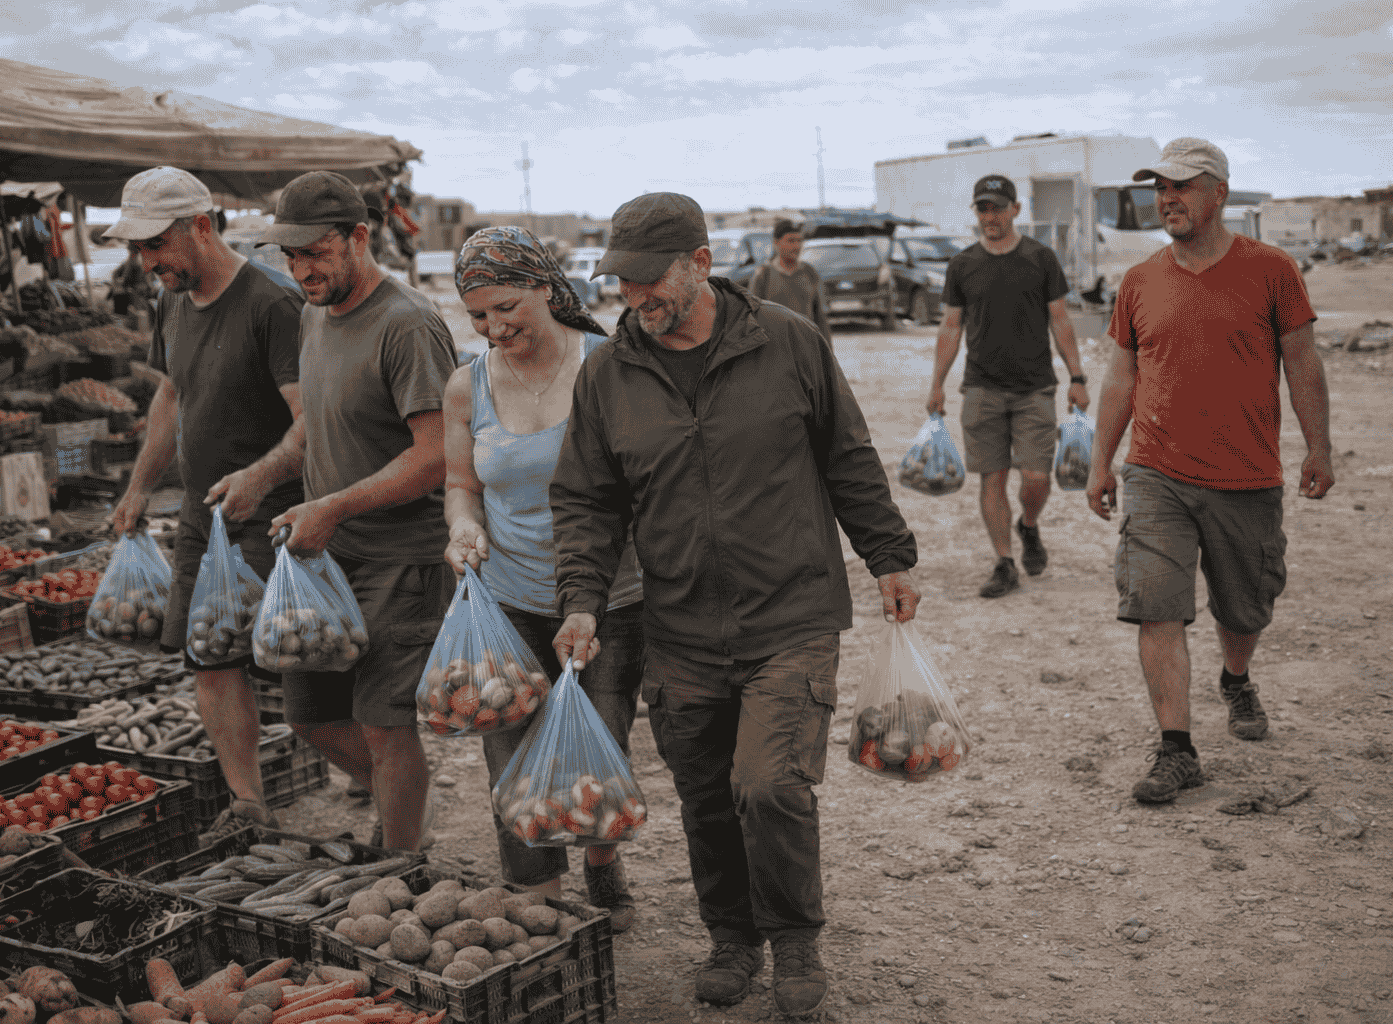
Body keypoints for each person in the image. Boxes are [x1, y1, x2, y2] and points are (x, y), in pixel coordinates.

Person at [548, 192, 922, 1017]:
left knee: (769, 784)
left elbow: (848, 456)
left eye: (649, 280)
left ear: (700, 263)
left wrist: (888, 555)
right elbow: (586, 501)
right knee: (708, 797)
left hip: (790, 614)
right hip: (677, 625)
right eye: (622, 282)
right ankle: (732, 937)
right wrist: (581, 599)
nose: (634, 298)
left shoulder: (788, 342)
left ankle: (793, 938)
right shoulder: (608, 373)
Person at [1084, 138, 1334, 805]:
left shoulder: (1272, 270)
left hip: (1246, 475)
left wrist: (1319, 446)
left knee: (1244, 610)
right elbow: (1121, 376)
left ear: (1218, 192)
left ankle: (1236, 677)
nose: (1167, 199)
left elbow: (1302, 361)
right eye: (1160, 188)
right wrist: (1101, 462)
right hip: (1156, 472)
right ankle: (1178, 750)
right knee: (1155, 606)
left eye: (1182, 186)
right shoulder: (1139, 281)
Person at [441, 225, 644, 931]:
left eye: (506, 308)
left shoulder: (608, 366)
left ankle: (599, 858)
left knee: (600, 742)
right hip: (510, 598)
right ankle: (539, 899)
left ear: (545, 287)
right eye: (478, 316)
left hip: (612, 596)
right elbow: (461, 484)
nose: (494, 328)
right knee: (509, 745)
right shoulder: (467, 385)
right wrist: (462, 526)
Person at [258, 171, 459, 851]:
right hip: (327, 559)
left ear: (360, 238)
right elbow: (316, 426)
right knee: (309, 717)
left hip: (400, 561)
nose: (300, 271)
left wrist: (336, 505)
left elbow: (436, 455)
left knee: (385, 724)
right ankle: (406, 802)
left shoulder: (407, 324)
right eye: (290, 256)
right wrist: (266, 478)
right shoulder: (313, 314)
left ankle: (398, 864)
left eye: (315, 253)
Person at [104, 166, 304, 839]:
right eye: (138, 248)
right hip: (203, 514)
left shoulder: (273, 303)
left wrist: (260, 479)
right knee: (211, 658)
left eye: (155, 243)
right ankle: (248, 804)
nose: (146, 261)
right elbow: (171, 395)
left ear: (200, 225)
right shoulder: (171, 302)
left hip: (276, 516)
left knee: (300, 669)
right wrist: (139, 486)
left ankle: (385, 792)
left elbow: (311, 419)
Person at [926, 173, 1091, 599]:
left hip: (1035, 388)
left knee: (1036, 477)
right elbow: (950, 327)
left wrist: (1077, 377)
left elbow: (1060, 320)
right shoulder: (962, 265)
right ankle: (1004, 562)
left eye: (998, 208)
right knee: (992, 478)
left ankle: (1028, 524)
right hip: (981, 388)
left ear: (1016, 210)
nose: (991, 216)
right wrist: (937, 384)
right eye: (983, 208)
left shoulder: (1040, 258)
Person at [747, 218, 831, 341]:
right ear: (776, 243)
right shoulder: (764, 275)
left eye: (799, 241)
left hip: (806, 344)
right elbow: (752, 318)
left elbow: (820, 318)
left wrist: (827, 349)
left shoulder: (809, 273)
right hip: (776, 346)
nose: (796, 246)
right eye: (791, 241)